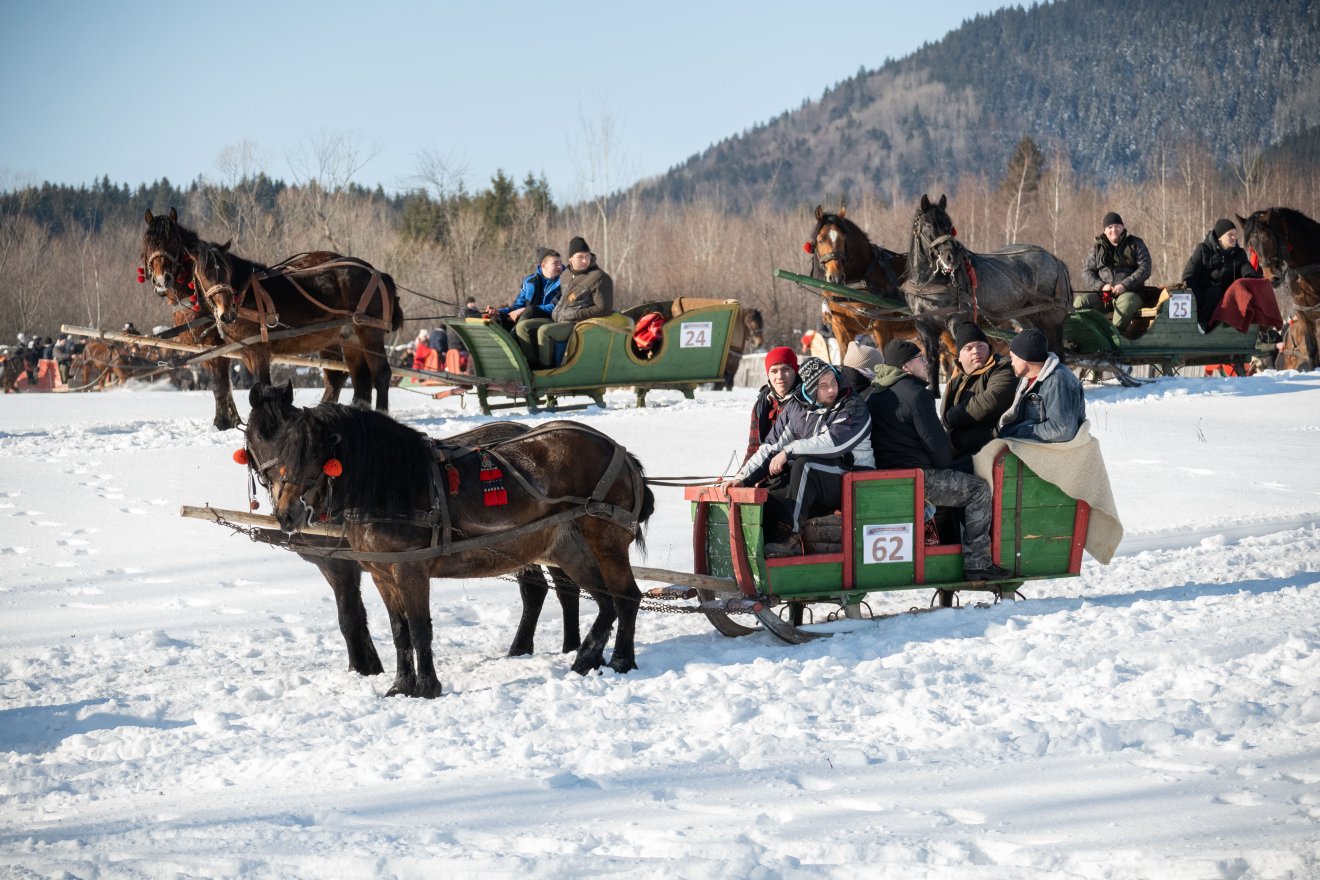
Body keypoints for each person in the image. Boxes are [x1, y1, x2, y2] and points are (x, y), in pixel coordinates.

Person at [868, 339, 1011, 581]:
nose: (925, 363)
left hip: (886, 479)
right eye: (920, 359)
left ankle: (946, 547)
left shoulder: (875, 395)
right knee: (978, 489)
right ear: (906, 367)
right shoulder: (916, 394)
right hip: (918, 480)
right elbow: (937, 445)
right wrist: (946, 463)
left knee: (954, 481)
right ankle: (978, 563)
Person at [727, 357, 873, 557]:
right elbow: (770, 447)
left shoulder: (852, 405)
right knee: (770, 494)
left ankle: (790, 538)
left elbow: (835, 444)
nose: (832, 390)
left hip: (853, 476)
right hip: (820, 479)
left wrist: (789, 451)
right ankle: (759, 552)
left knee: (804, 465)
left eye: (833, 382)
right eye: (823, 385)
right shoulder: (796, 408)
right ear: (811, 389)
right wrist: (742, 478)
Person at [940, 323, 1016, 462]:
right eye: (968, 348)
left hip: (991, 453)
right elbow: (944, 415)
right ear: (959, 356)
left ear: (989, 348)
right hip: (959, 450)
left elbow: (991, 401)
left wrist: (952, 418)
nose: (975, 351)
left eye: (981, 345)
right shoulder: (957, 380)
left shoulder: (1003, 368)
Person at [997, 328, 1086, 443]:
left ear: (1025, 358)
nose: (1011, 362)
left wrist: (1021, 433)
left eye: (1013, 357)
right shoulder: (1027, 378)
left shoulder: (1058, 382)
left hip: (1052, 452)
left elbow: (1063, 430)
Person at [536, 237, 613, 367]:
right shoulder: (566, 274)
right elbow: (563, 299)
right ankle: (529, 366)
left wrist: (576, 315)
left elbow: (603, 308)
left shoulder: (599, 277)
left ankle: (546, 371)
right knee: (525, 327)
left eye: (587, 256)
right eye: (580, 257)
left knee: (544, 331)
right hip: (559, 318)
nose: (585, 260)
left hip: (577, 324)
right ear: (571, 258)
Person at [1074, 211, 1153, 334]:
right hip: (1104, 296)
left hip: (1131, 293)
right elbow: (1087, 272)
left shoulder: (1136, 243)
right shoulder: (1097, 248)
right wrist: (1101, 286)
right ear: (1105, 231)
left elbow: (1145, 268)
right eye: (1110, 227)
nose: (1114, 230)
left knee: (1125, 303)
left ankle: (1114, 342)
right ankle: (1084, 337)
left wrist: (1125, 285)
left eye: (1117, 226)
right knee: (1080, 302)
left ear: (1123, 227)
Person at [1182, 218, 1261, 333]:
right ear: (1220, 237)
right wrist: (1197, 299)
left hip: (1228, 300)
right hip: (1203, 300)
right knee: (1217, 291)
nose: (1234, 238)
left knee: (1234, 291)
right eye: (1230, 235)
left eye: (1235, 234)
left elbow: (1247, 270)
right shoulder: (1203, 250)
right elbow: (1188, 275)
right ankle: (1202, 324)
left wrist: (1255, 278)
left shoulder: (1239, 254)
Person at [488, 247, 563, 367]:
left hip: (552, 318)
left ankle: (526, 362)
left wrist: (524, 310)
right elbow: (517, 305)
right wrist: (499, 312)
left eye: (560, 263)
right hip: (528, 316)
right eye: (556, 263)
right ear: (544, 266)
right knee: (498, 322)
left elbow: (557, 307)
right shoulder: (530, 281)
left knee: (530, 310)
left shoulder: (564, 281)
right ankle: (495, 363)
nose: (560, 266)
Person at [745, 346, 800, 464]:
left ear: (795, 371)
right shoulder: (762, 404)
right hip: (765, 466)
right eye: (774, 371)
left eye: (785, 369)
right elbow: (754, 447)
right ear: (768, 375)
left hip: (794, 468)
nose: (780, 376)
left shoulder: (804, 402)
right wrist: (742, 477)